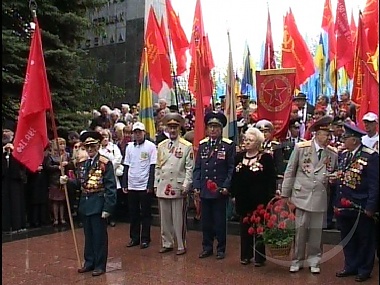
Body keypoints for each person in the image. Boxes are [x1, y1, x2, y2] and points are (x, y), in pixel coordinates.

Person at [281, 115, 338, 274]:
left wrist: (332, 179)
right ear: (317, 134)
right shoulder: (301, 148)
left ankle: (314, 260)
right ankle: (297, 259)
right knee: (300, 231)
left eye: (330, 135)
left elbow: (332, 173)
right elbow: (290, 170)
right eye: (326, 134)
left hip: (319, 196)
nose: (328, 138)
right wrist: (285, 193)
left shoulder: (332, 153)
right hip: (301, 195)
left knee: (316, 232)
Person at [60, 131, 117, 277]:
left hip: (98, 203)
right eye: (87, 147)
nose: (90, 149)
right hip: (85, 204)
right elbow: (80, 182)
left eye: (93, 146)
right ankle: (89, 262)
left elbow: (110, 187)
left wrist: (108, 207)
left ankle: (99, 265)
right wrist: (68, 180)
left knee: (99, 237)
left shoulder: (105, 163)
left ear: (98, 146)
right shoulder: (83, 163)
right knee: (88, 236)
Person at [334, 123, 379, 282]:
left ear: (354, 140)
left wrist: (371, 207)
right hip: (344, 205)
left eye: (345, 138)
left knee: (364, 238)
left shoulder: (370, 156)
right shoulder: (344, 155)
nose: (343, 140)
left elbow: (375, 184)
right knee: (347, 237)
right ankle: (350, 265)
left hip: (361, 205)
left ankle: (364, 269)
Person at [230, 127, 276, 266]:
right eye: (245, 140)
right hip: (243, 199)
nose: (247, 142)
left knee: (259, 229)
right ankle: (245, 255)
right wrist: (233, 194)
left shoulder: (266, 158)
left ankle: (260, 258)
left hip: (260, 200)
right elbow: (234, 178)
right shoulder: (239, 157)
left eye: (250, 140)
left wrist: (270, 197)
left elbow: (271, 179)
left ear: (258, 142)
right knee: (245, 229)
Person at [193, 111, 236, 260]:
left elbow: (231, 168)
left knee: (219, 221)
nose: (213, 130)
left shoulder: (228, 146)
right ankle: (207, 247)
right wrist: (197, 185)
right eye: (210, 126)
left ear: (221, 129)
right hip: (205, 189)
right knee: (206, 222)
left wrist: (226, 186)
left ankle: (221, 248)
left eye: (216, 127)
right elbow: (197, 167)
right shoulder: (203, 145)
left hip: (219, 190)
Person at [155, 113, 194, 255]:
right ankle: (167, 242)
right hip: (163, 185)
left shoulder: (186, 146)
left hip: (178, 184)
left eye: (175, 127)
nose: (172, 130)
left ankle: (180, 244)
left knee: (178, 219)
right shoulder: (161, 146)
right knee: (164, 218)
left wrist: (186, 185)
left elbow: (189, 168)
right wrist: (155, 184)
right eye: (170, 127)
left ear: (179, 128)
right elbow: (158, 167)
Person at [122, 122, 157, 249]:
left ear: (144, 133)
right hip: (132, 184)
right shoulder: (129, 147)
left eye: (139, 132)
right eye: (135, 132)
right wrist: (125, 183)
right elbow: (126, 165)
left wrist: (150, 184)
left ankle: (145, 238)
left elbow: (153, 166)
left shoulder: (151, 146)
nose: (137, 134)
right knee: (133, 213)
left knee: (146, 213)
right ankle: (134, 237)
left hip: (144, 184)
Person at [2, 121, 27, 234]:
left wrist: (14, 152)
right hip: (4, 179)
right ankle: (6, 226)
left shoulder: (18, 145)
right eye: (4, 132)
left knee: (17, 202)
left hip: (15, 179)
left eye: (8, 132)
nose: (5, 134)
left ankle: (18, 225)